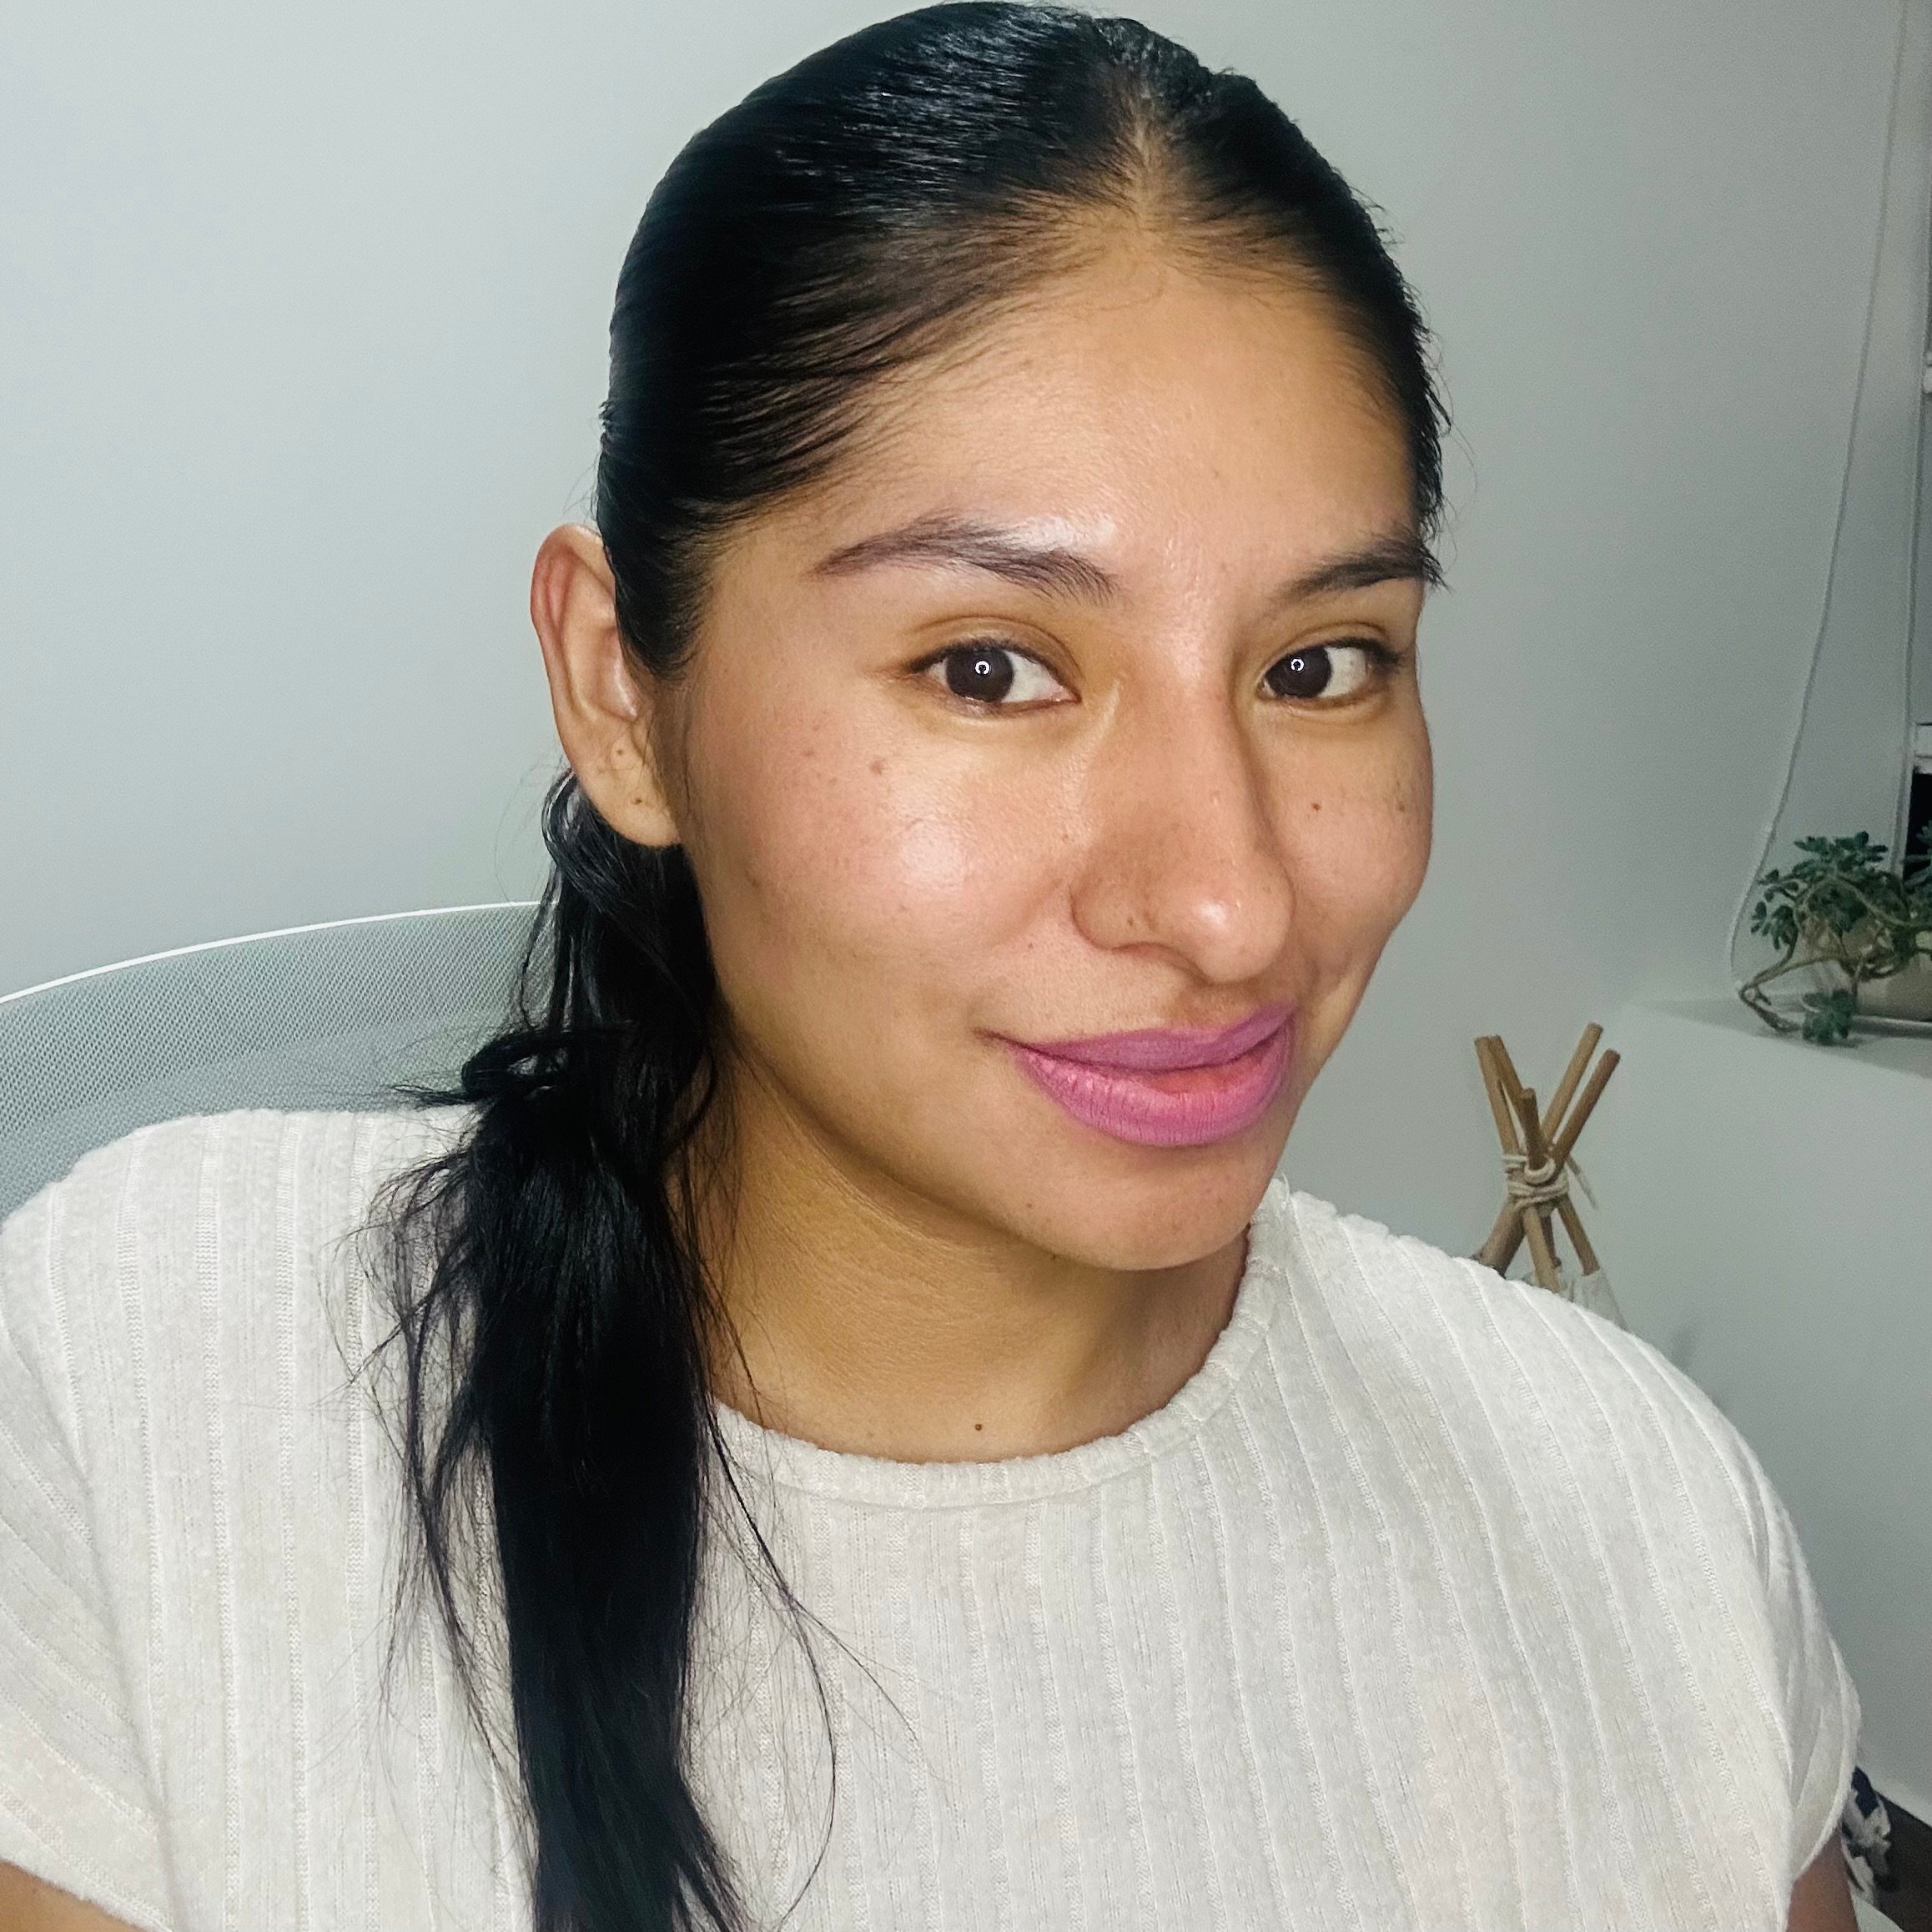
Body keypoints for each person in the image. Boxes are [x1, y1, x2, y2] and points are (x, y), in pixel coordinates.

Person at [0, 7, 1864, 1929]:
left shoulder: (1639, 1515)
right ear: (620, 695)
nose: (1230, 909)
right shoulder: (152, 1379)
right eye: (989, 667)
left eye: (1320, 665)